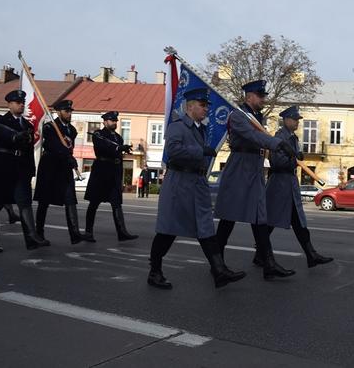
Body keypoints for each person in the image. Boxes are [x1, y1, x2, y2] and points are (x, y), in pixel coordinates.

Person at [148, 87, 246, 289]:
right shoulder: (177, 126)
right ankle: (154, 272)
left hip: (196, 184)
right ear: (190, 106)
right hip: (179, 184)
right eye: (202, 105)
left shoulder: (199, 128)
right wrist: (200, 150)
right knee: (167, 231)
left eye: (207, 106)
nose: (206, 109)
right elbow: (173, 151)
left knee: (206, 228)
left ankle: (219, 271)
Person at [214, 80, 297, 280]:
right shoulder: (239, 117)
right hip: (240, 169)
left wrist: (277, 145)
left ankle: (268, 263)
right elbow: (254, 137)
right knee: (228, 219)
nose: (263, 99)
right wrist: (279, 144)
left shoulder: (256, 117)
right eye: (260, 96)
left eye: (263, 96)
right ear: (249, 96)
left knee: (260, 218)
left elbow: (260, 138)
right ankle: (216, 263)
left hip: (254, 169)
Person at [262, 106, 333, 268]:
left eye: (298, 120)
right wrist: (293, 159)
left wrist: (295, 156)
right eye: (295, 120)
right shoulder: (280, 137)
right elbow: (277, 163)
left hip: (289, 184)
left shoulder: (292, 138)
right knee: (271, 222)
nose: (297, 123)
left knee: (298, 221)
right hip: (280, 185)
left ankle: (311, 255)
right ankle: (262, 254)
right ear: (286, 120)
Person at [0, 90, 49, 252]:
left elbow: (30, 150)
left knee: (25, 204)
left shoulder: (28, 125)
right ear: (9, 104)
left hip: (21, 167)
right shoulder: (0, 120)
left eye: (23, 103)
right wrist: (15, 137)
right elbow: (1, 133)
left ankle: (31, 238)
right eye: (18, 103)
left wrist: (31, 169)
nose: (21, 105)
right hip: (2, 166)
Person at [33, 100, 85, 244]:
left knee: (70, 200)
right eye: (66, 111)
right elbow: (52, 145)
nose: (69, 114)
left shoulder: (72, 130)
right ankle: (39, 232)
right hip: (50, 166)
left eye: (70, 111)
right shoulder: (50, 127)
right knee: (44, 201)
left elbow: (69, 146)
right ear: (58, 112)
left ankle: (74, 234)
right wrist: (67, 156)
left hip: (64, 168)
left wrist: (69, 158)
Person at [84, 111, 138, 242]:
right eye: (112, 120)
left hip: (114, 172)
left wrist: (123, 150)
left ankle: (122, 232)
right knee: (94, 203)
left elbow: (118, 153)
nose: (114, 123)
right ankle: (88, 232)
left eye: (115, 121)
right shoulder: (98, 134)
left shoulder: (118, 137)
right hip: (101, 172)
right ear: (105, 121)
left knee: (116, 203)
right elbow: (102, 149)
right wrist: (118, 149)